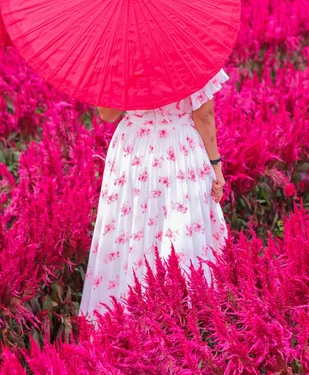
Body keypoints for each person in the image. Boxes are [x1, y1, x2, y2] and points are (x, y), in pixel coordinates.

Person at [78, 68, 229, 326]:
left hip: (133, 153)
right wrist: (215, 164)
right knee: (181, 238)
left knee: (130, 232)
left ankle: (125, 320)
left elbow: (107, 114)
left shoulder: (122, 54)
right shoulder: (190, 50)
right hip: (179, 150)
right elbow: (203, 116)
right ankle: (185, 323)